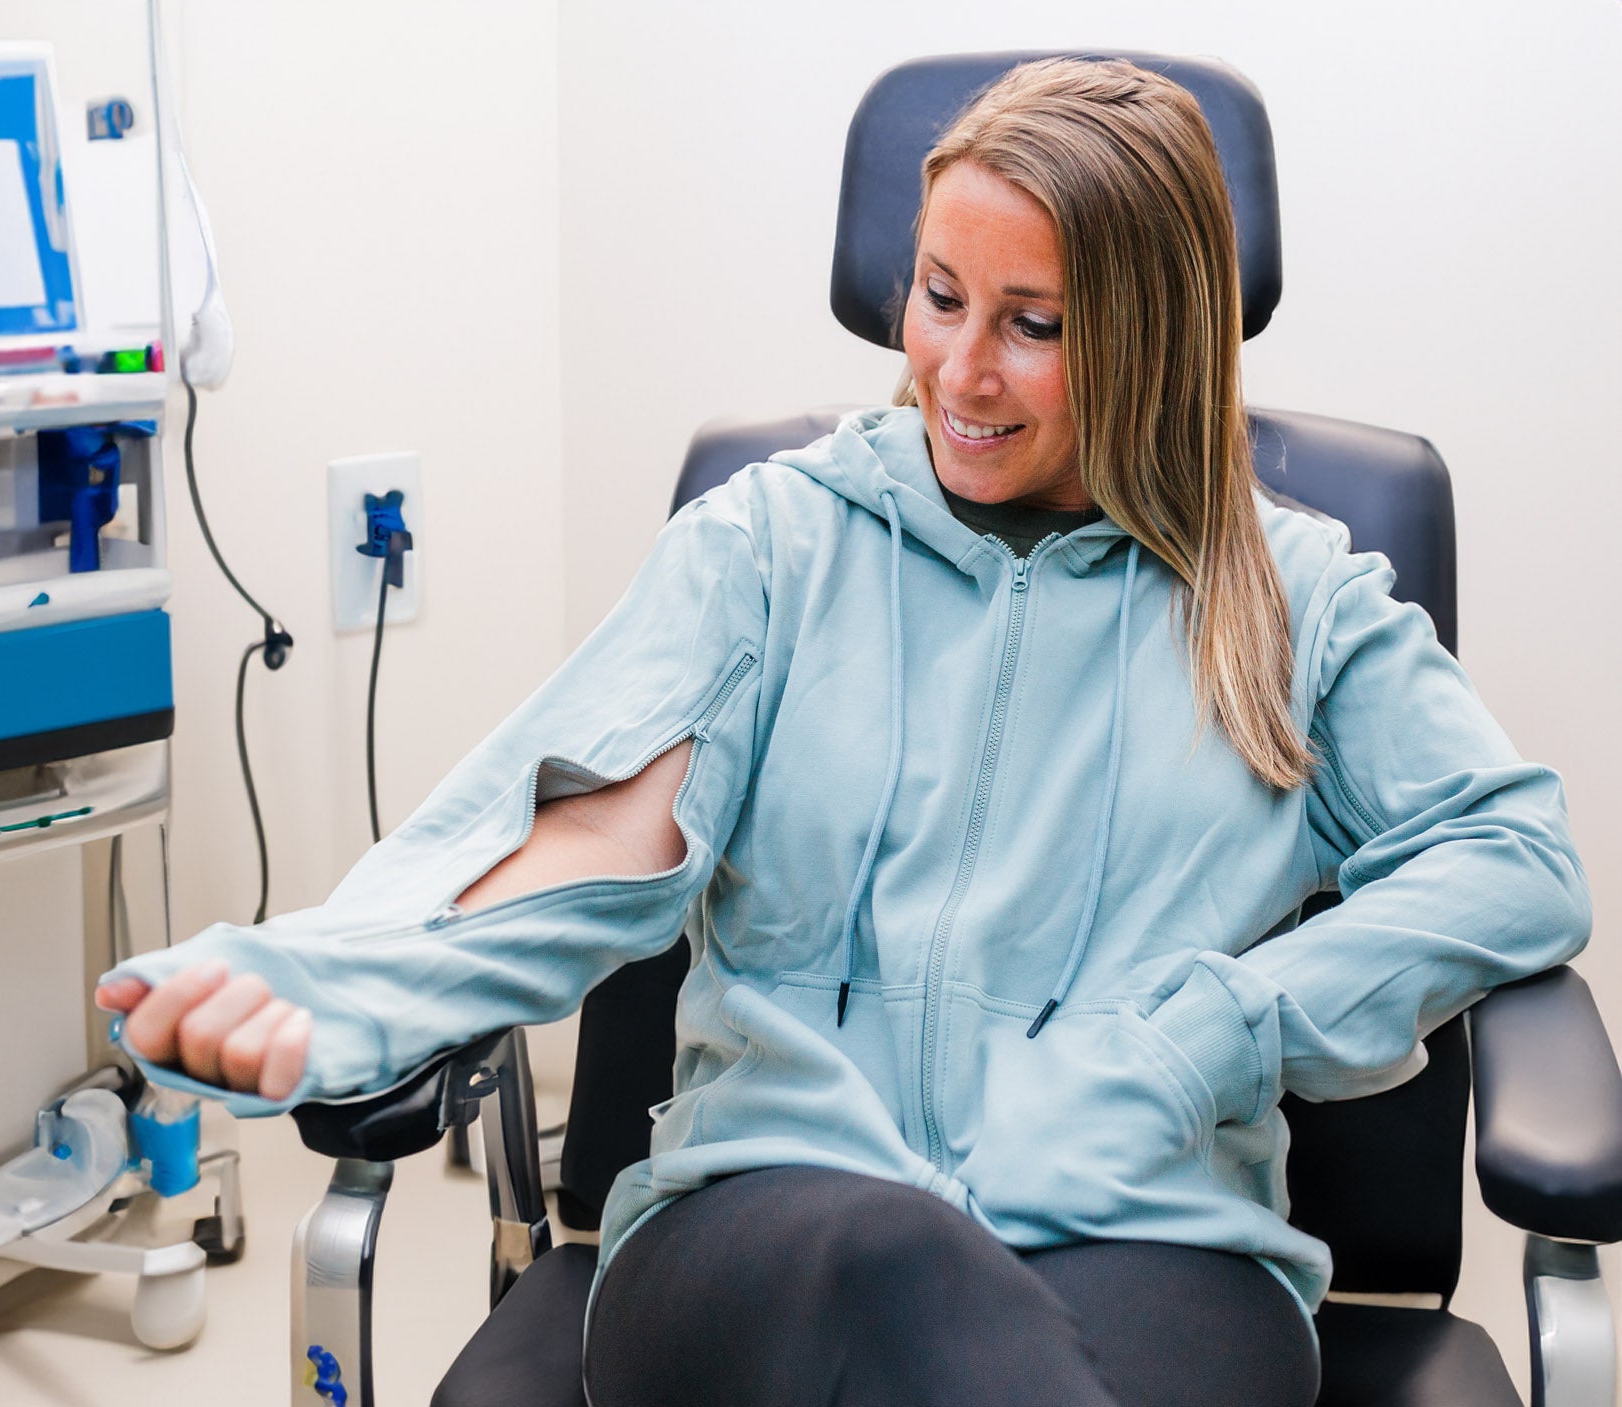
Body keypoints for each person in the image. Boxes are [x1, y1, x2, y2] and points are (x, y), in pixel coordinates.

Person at [98, 57, 1590, 1405]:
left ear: (1156, 338)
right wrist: (331, 981)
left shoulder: (1290, 598)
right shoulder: (775, 543)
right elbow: (595, 835)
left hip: (1150, 1233)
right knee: (899, 1268)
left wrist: (1205, 1037)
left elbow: (1514, 855)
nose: (958, 369)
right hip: (769, 1219)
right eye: (941, 296)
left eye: (1035, 326)